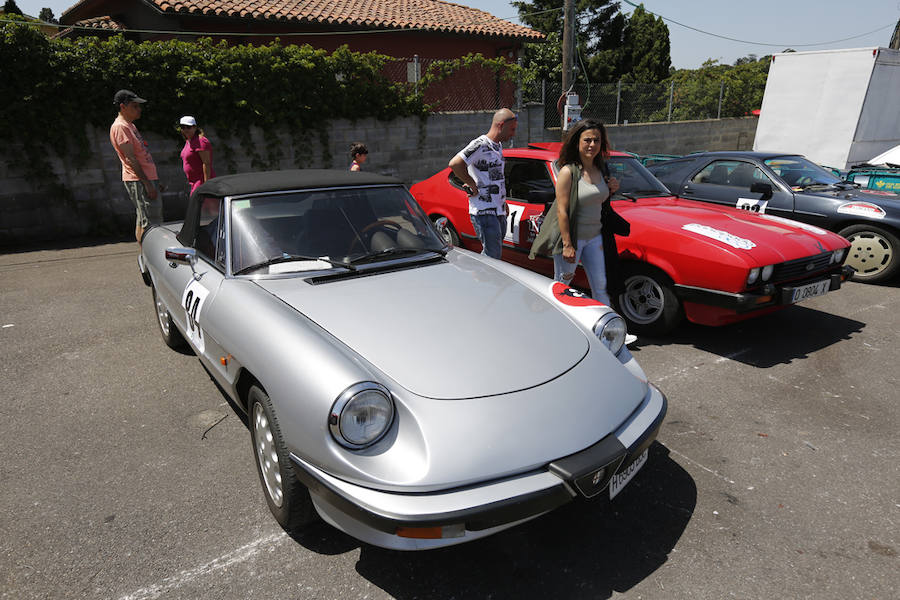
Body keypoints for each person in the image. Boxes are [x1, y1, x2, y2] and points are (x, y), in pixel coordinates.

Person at [529, 119, 631, 315]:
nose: (592, 145)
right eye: (587, 140)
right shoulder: (568, 172)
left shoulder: (602, 170)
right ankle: (555, 321)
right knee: (563, 283)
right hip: (573, 240)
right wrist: (567, 244)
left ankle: (605, 329)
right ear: (577, 142)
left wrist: (611, 190)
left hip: (595, 237)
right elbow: (562, 211)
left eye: (597, 140)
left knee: (600, 285)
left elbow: (596, 202)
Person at [448, 108, 518, 259]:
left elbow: (495, 177)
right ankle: (484, 281)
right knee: (492, 257)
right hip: (484, 211)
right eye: (512, 129)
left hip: (497, 210)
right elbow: (455, 163)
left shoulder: (497, 146)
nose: (513, 134)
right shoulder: (480, 144)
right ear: (500, 125)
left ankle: (481, 278)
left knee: (493, 255)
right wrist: (471, 183)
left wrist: (502, 202)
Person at [109, 89, 162, 243]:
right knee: (151, 223)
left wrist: (154, 181)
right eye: (134, 106)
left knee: (144, 218)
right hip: (138, 180)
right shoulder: (120, 127)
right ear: (122, 106)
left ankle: (145, 258)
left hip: (145, 179)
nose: (139, 109)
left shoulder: (129, 125)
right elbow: (131, 158)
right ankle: (149, 259)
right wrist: (147, 184)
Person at [179, 115, 215, 195]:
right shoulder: (189, 142)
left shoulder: (200, 141)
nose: (185, 130)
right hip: (194, 183)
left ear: (195, 127)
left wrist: (207, 186)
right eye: (182, 127)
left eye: (188, 127)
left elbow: (206, 163)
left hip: (201, 183)